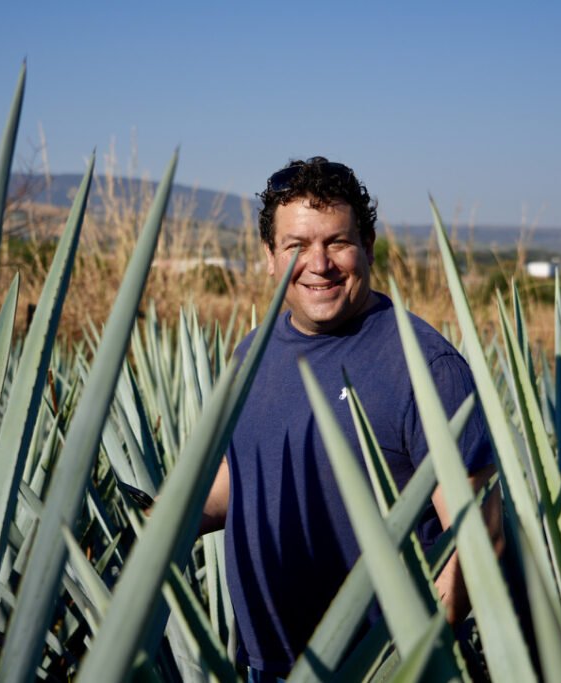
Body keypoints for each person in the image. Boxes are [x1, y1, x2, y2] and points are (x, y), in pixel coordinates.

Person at [200, 157, 501, 679]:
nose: (319, 264)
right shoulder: (252, 353)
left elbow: (480, 535)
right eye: (296, 245)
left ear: (368, 246)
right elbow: (246, 472)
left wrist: (413, 658)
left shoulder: (423, 367)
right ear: (270, 257)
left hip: (377, 667)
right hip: (265, 664)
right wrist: (160, 522)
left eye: (337, 242)